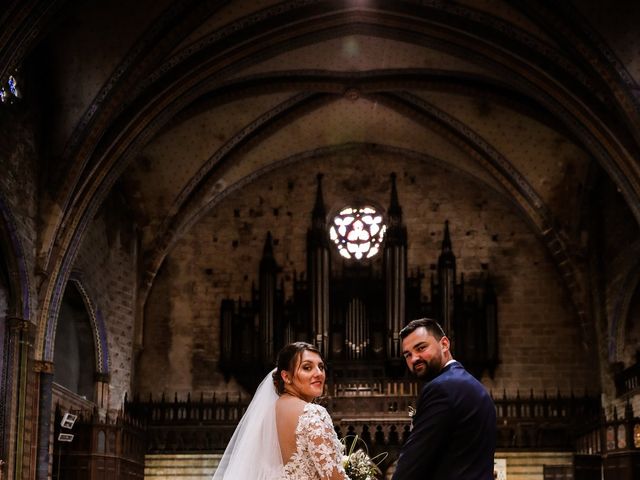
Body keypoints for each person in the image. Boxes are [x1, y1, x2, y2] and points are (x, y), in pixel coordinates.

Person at [213, 342, 350, 480]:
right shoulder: (313, 413)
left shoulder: (265, 416)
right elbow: (334, 478)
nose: (319, 373)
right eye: (307, 367)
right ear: (286, 377)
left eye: (321, 367)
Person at [392, 318, 496, 480]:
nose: (414, 359)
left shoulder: (441, 388)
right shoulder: (474, 386)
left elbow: (412, 463)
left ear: (444, 344)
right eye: (408, 355)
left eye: (421, 348)